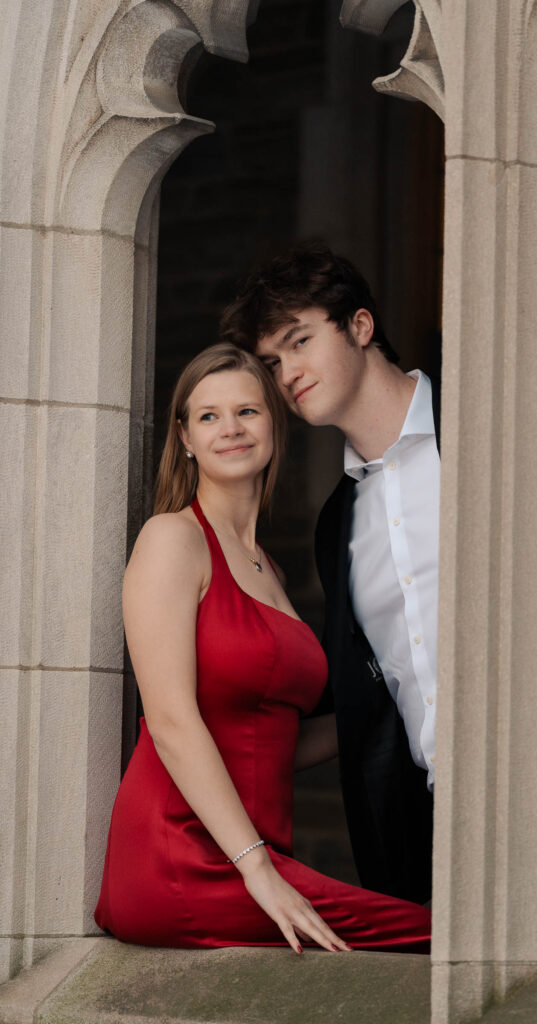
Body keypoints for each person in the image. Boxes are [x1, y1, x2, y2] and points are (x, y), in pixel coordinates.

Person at [220, 244, 537, 965]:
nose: (287, 374)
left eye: (299, 341)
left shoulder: (503, 423)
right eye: (271, 362)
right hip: (434, 841)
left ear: (361, 326)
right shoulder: (334, 525)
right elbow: (368, 698)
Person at [94, 343, 430, 953]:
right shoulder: (172, 539)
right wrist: (259, 871)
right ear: (186, 437)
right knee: (450, 939)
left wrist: (405, 695)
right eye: (209, 416)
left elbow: (267, 738)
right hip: (185, 855)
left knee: (452, 937)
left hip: (256, 857)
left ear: (274, 423)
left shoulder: (268, 567)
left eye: (248, 411)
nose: (231, 429)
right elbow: (170, 721)